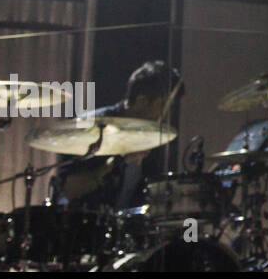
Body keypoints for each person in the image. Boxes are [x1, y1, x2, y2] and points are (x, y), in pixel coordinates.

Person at [51, 60, 183, 211]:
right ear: (142, 101)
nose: (165, 114)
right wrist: (118, 161)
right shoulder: (88, 129)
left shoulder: (154, 138)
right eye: (163, 105)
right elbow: (70, 191)